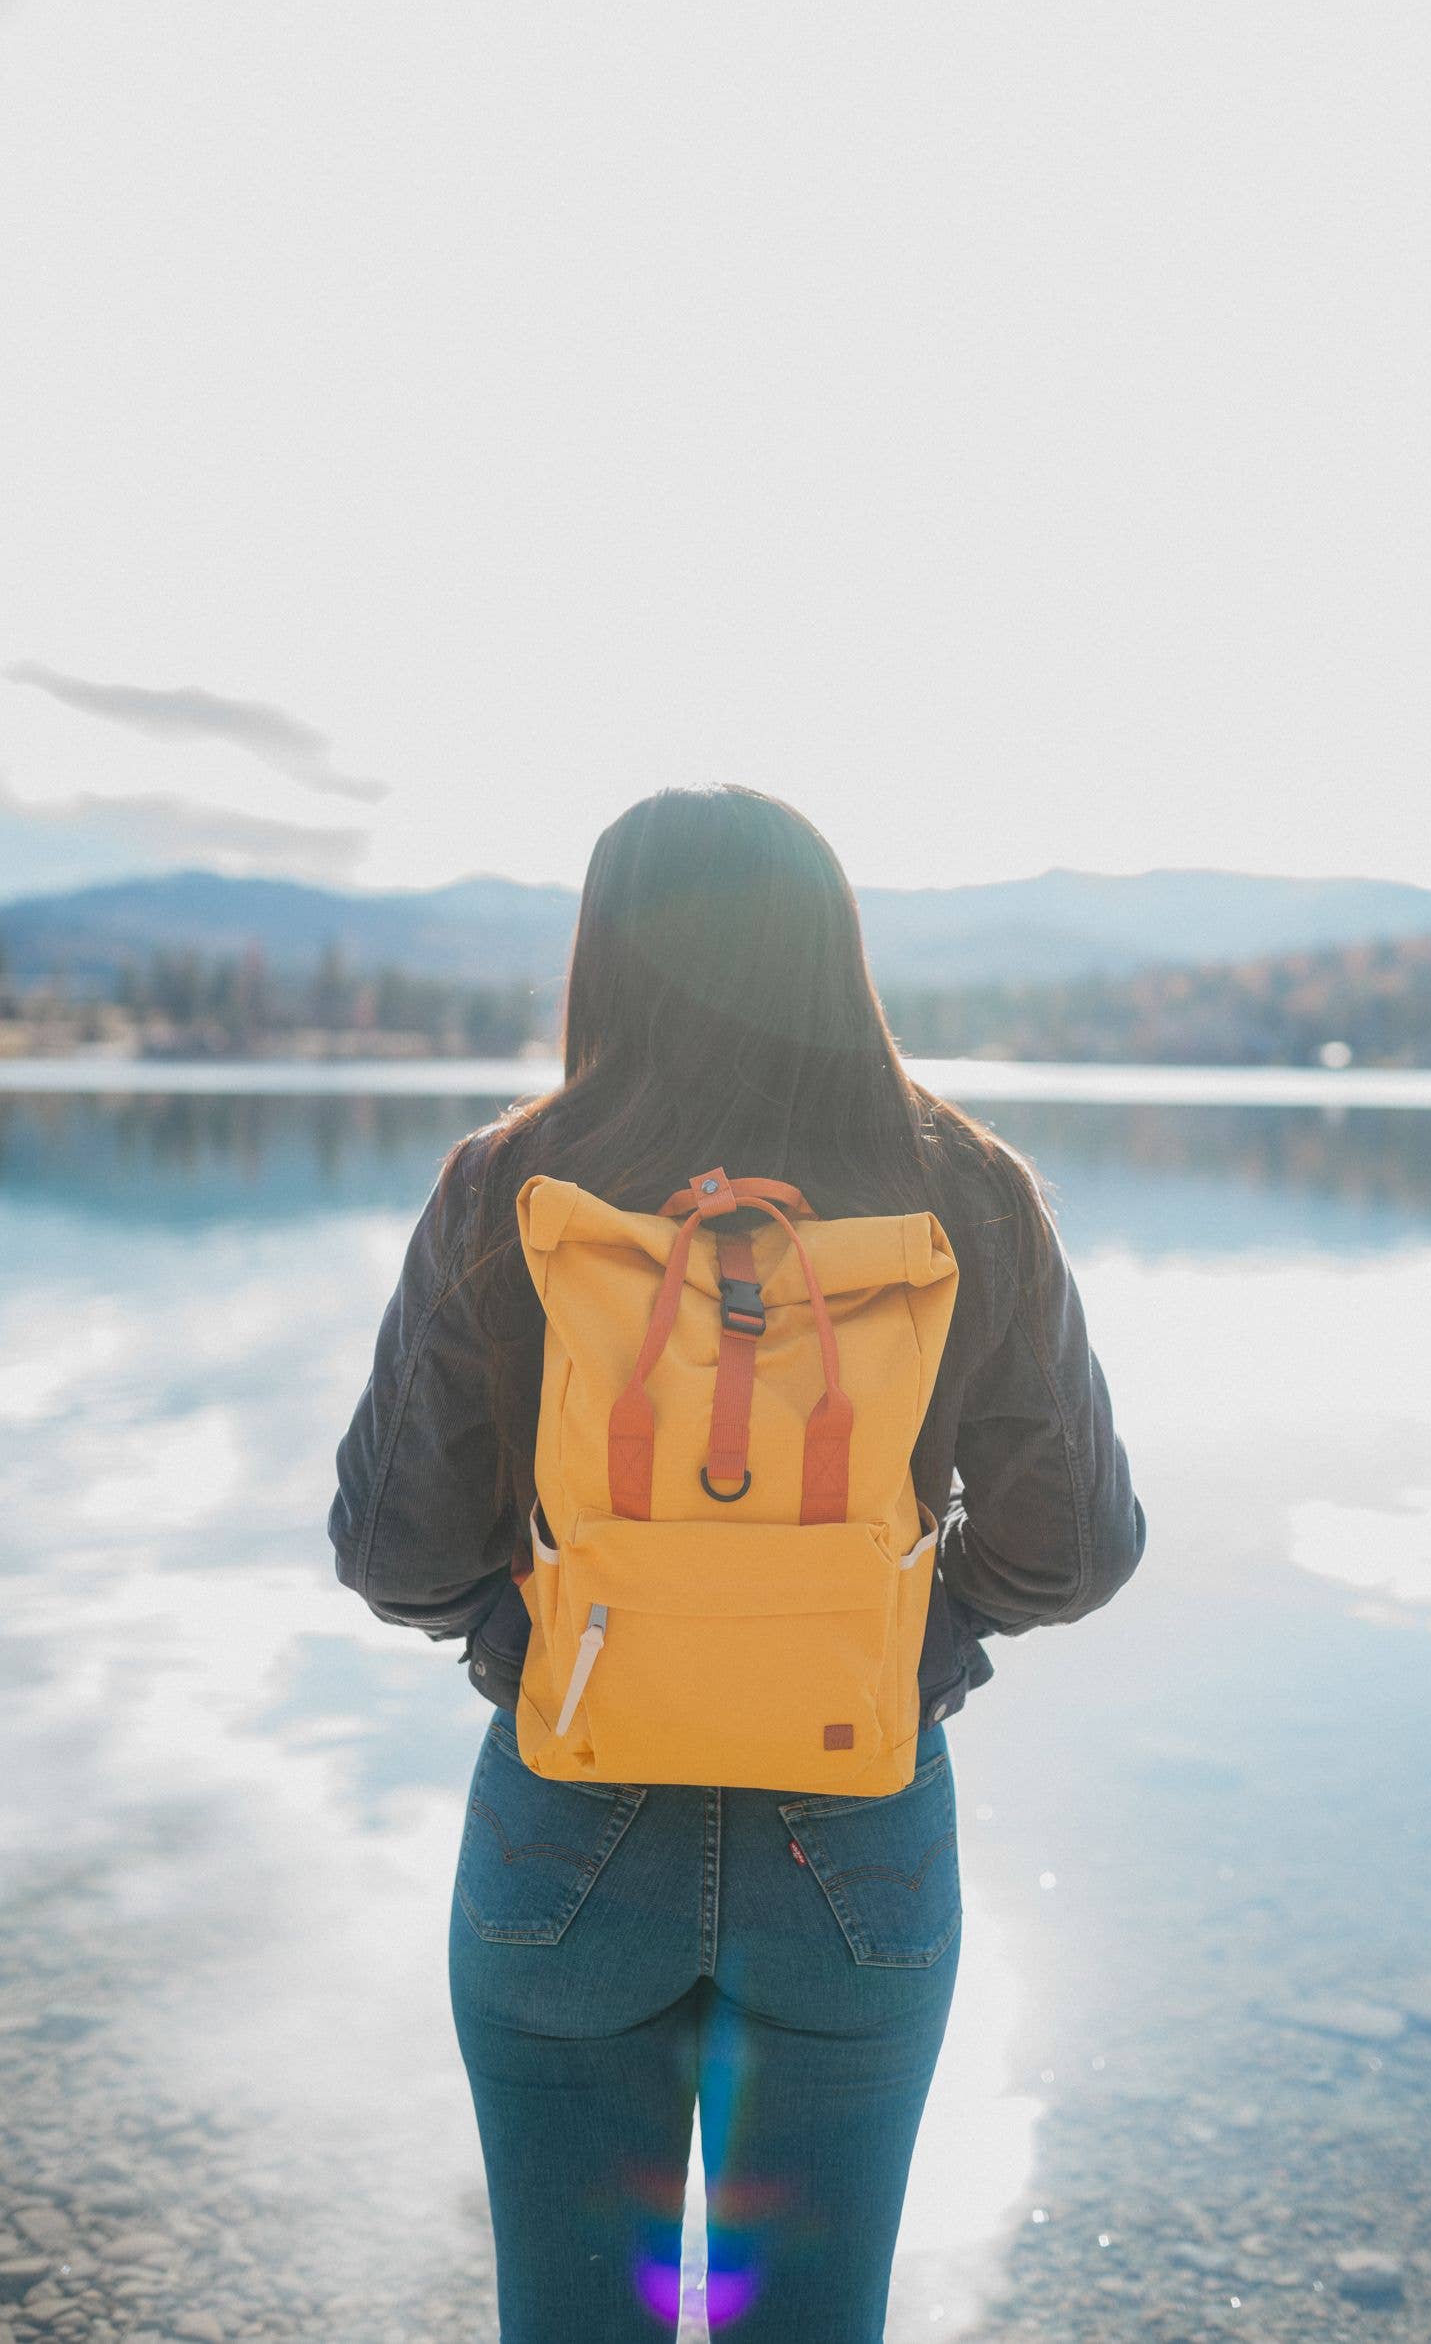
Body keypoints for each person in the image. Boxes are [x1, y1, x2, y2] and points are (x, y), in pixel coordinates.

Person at [327, 784, 1146, 2344]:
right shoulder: (965, 1190)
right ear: (834, 949)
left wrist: (533, 1639)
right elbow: (1076, 1551)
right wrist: (915, 1635)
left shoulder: (510, 1187)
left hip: (567, 1823)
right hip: (857, 1844)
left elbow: (394, 1552)